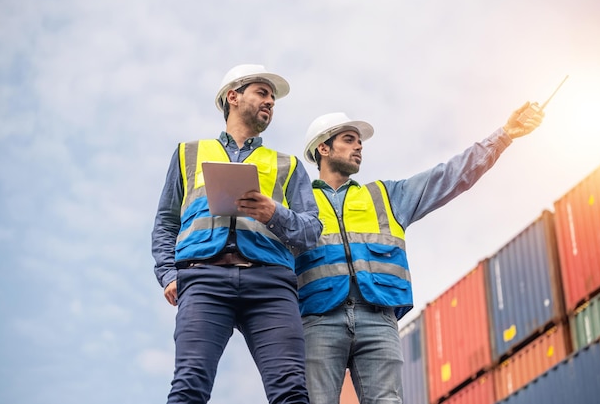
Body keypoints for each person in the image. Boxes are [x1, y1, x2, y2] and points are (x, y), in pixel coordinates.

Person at [296, 104, 544, 404]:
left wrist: (504, 136)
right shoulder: (297, 204)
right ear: (323, 148)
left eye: (359, 141)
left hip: (379, 318)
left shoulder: (386, 196)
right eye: (349, 139)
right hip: (319, 318)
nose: (359, 145)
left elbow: (449, 176)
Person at [151, 64, 322, 404]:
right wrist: (168, 274)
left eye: (273, 99)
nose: (270, 102)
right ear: (233, 97)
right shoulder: (189, 153)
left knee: (291, 391)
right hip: (203, 280)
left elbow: (312, 231)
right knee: (189, 386)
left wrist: (275, 213)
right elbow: (166, 222)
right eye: (262, 93)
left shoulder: (287, 165)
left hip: (271, 285)